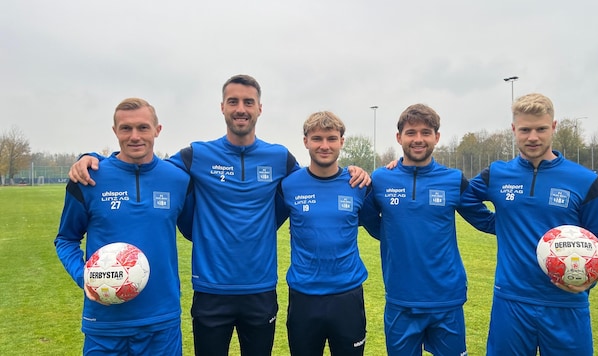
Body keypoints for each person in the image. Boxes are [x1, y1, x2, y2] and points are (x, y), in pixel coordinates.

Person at [68, 74, 370, 356]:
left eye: (248, 102)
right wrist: (93, 158)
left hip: (260, 289)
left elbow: (313, 180)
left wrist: (352, 173)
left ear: (259, 109)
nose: (241, 109)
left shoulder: (279, 158)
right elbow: (142, 161)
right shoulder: (196, 155)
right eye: (234, 102)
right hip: (210, 289)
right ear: (222, 107)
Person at [461, 93, 598, 355]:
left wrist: (589, 278)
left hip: (566, 301)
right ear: (513, 130)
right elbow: (464, 199)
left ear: (553, 127)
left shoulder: (584, 180)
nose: (533, 137)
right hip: (511, 300)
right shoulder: (497, 174)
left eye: (541, 129)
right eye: (525, 129)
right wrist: (498, 224)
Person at [55, 98, 191, 355]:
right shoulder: (88, 178)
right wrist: (84, 276)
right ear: (115, 131)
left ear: (157, 130)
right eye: (126, 128)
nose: (135, 136)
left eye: (143, 128)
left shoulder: (178, 180)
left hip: (161, 321)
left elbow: (198, 231)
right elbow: (66, 239)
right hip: (104, 323)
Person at [360, 103, 496, 356]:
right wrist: (392, 234)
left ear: (437, 137)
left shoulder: (453, 180)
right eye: (411, 132)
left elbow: (485, 221)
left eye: (426, 132)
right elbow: (366, 218)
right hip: (401, 299)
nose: (418, 139)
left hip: (447, 300)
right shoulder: (380, 179)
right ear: (399, 137)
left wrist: (537, 227)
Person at [277, 111, 374, 355]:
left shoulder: (359, 184)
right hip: (303, 297)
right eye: (317, 138)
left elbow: (381, 226)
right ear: (305, 141)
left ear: (342, 141)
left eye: (331, 138)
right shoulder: (289, 185)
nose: (324, 145)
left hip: (347, 296)